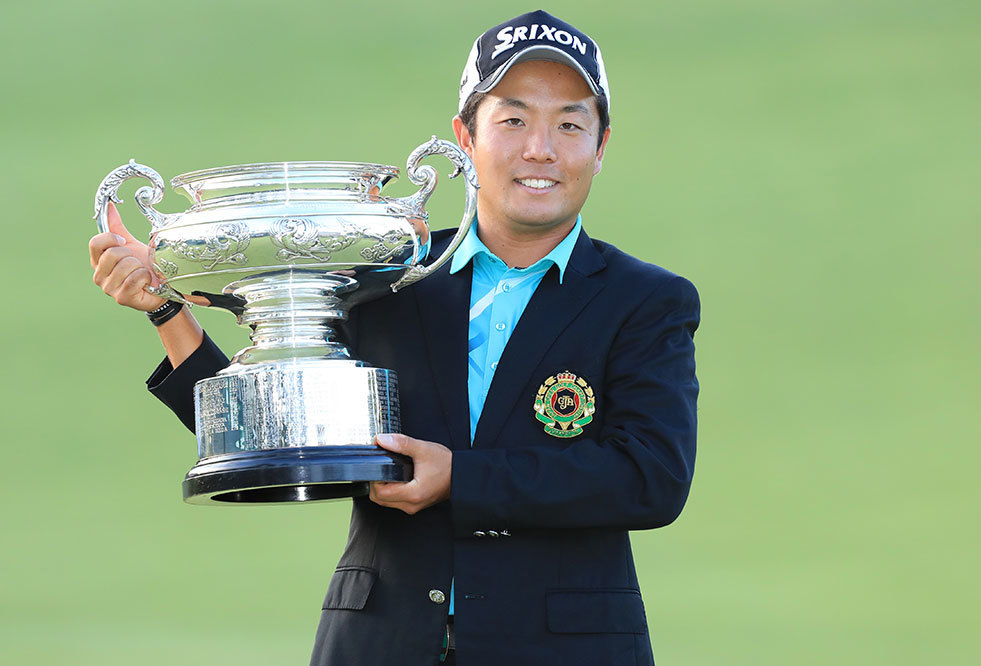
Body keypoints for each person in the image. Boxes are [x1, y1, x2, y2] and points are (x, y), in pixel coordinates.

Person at [89, 10, 699, 666]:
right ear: (465, 139)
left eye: (570, 124)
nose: (540, 150)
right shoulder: (385, 273)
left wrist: (458, 477)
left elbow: (650, 478)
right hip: (381, 643)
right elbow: (271, 431)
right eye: (513, 120)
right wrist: (167, 310)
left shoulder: (644, 300)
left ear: (601, 146)